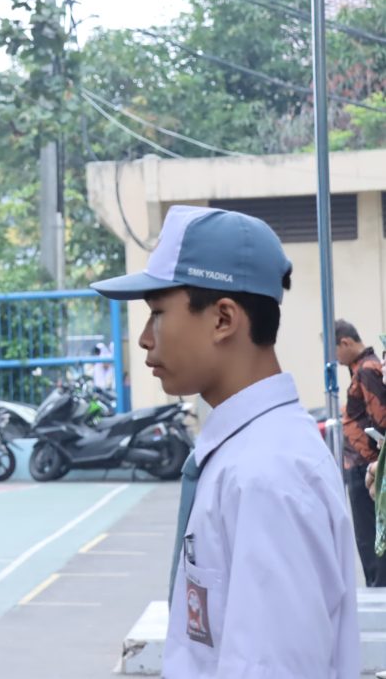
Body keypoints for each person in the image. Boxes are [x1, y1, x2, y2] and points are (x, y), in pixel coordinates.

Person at [91, 205, 358, 678]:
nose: (145, 340)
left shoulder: (268, 475)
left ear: (223, 320)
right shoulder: (247, 454)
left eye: (157, 314)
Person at [336, 319, 386, 586]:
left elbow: (380, 418)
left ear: (345, 342)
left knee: (371, 542)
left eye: (334, 351)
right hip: (363, 465)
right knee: (369, 541)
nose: (334, 358)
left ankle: (380, 595)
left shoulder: (367, 369)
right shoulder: (363, 368)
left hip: (366, 466)